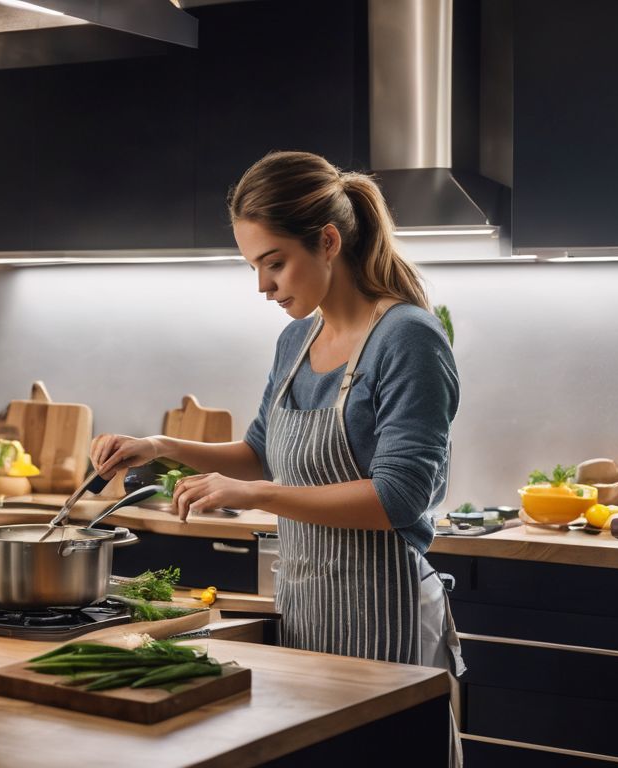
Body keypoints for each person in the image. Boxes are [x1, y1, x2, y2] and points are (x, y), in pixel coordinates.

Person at [91, 150, 463, 760]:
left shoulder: (408, 338)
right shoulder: (297, 339)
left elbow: (396, 499)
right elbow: (261, 451)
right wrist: (158, 447)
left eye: (275, 264)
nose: (263, 286)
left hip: (386, 623)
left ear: (327, 241)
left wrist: (255, 497)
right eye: (254, 267)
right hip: (307, 614)